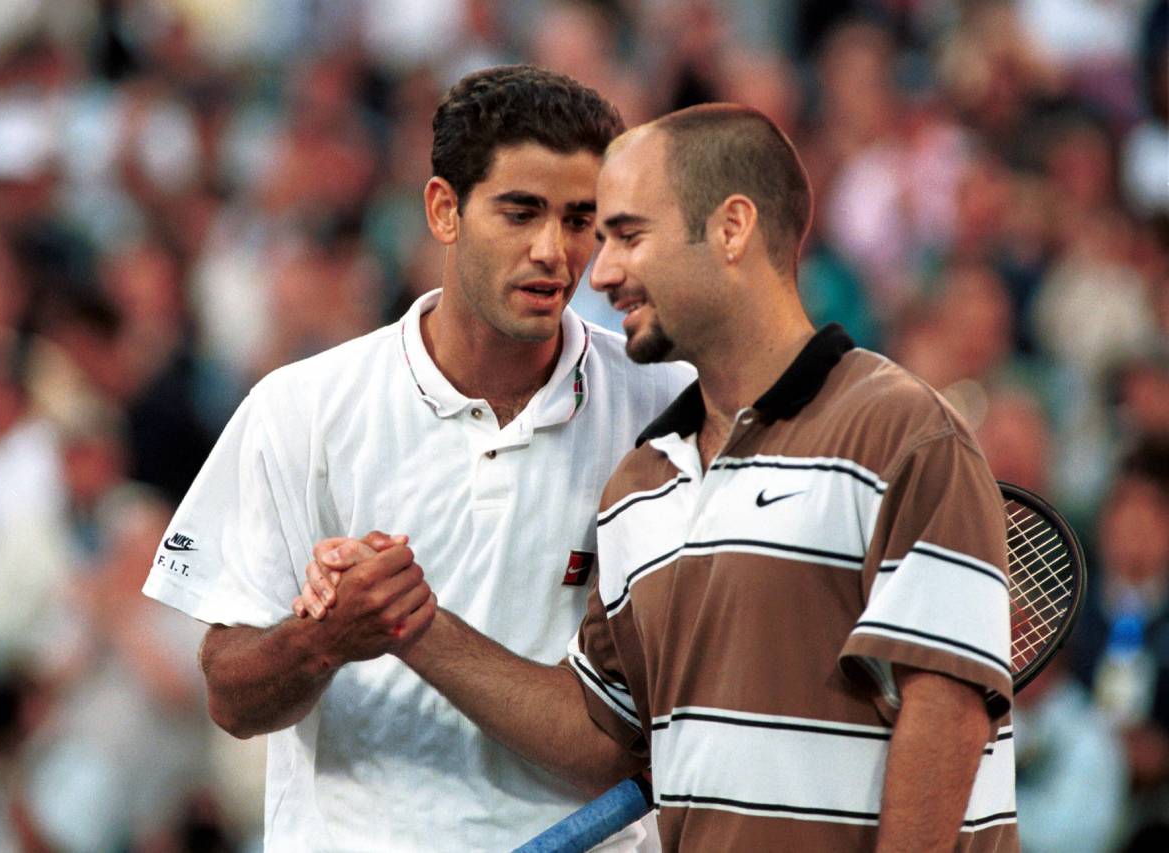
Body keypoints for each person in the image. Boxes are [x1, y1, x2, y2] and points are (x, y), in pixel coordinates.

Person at [305, 104, 1017, 850]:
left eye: (627, 235)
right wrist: (413, 622)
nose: (600, 270)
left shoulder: (904, 432)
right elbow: (601, 726)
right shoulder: (637, 486)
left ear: (732, 228)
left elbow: (946, 709)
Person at [140, 65, 693, 851]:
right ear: (443, 210)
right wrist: (324, 637)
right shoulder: (299, 406)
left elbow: (639, 730)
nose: (553, 251)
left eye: (579, 220)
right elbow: (231, 696)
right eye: (520, 211)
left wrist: (408, 621)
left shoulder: (670, 400)